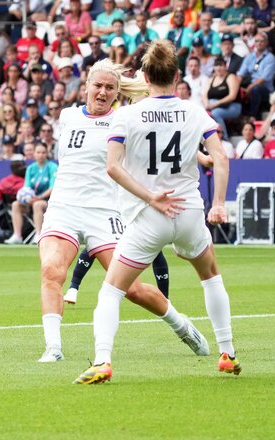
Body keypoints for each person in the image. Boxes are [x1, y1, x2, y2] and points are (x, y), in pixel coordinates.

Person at [74, 41, 239, 384]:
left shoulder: (127, 115)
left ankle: (103, 360)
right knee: (211, 278)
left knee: (111, 291)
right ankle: (227, 353)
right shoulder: (195, 112)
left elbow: (113, 167)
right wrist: (220, 203)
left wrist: (151, 197)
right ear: (178, 75)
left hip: (150, 216)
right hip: (190, 211)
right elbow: (220, 158)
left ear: (146, 76)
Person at [36, 58, 207, 366]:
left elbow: (162, 140)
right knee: (51, 271)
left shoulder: (126, 120)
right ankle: (53, 348)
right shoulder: (68, 116)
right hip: (64, 207)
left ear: (118, 92)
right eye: (97, 85)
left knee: (132, 289)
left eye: (109, 88)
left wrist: (200, 156)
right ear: (86, 86)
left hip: (106, 212)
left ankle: (182, 325)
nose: (102, 92)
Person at [4, 143, 56, 244]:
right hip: (32, 199)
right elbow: (26, 187)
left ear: (47, 154)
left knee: (37, 204)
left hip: (48, 201)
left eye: (43, 152)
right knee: (15, 204)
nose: (41, 155)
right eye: (38, 152)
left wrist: (39, 197)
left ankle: (39, 234)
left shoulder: (52, 167)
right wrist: (27, 198)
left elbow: (52, 188)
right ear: (34, 154)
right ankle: (17, 235)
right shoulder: (30, 168)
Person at [236, 32, 275, 120]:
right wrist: (236, 87)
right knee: (235, 89)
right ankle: (241, 118)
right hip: (251, 86)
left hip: (266, 90)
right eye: (257, 41)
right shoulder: (250, 57)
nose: (259, 43)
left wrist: (250, 88)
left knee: (256, 88)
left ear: (266, 43)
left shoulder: (270, 58)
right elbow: (240, 74)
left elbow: (264, 78)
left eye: (262, 41)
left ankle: (253, 117)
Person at [202, 57, 241, 140]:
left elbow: (232, 96)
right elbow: (204, 95)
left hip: (233, 106)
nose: (219, 68)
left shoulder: (231, 77)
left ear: (225, 66)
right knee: (203, 112)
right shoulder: (211, 79)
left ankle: (224, 138)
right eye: (216, 65)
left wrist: (215, 104)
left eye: (221, 65)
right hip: (214, 105)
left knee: (216, 113)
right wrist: (206, 104)